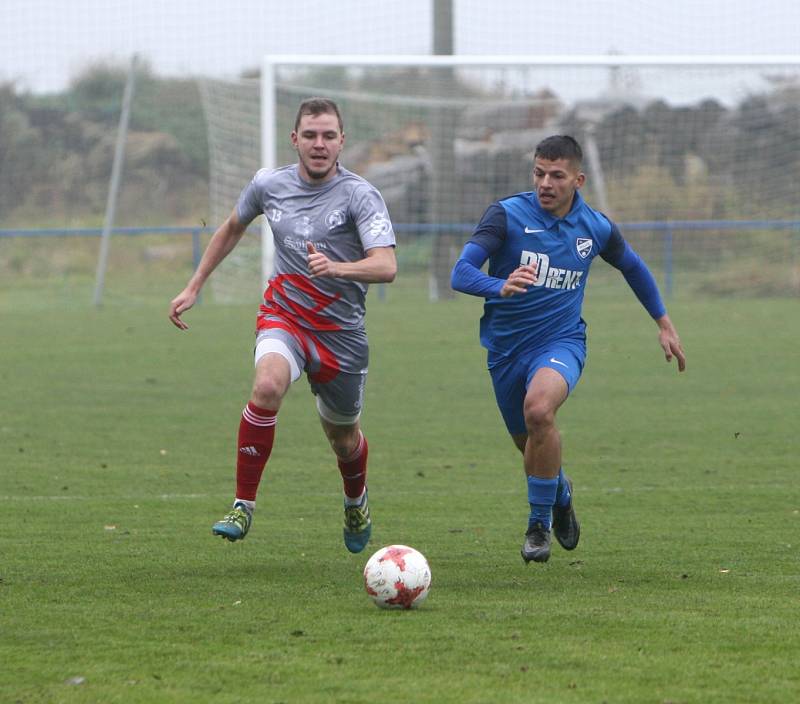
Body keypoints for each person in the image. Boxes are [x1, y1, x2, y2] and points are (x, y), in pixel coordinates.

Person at [169, 97, 397, 553]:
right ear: (295, 139)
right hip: (285, 315)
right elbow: (233, 226)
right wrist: (195, 285)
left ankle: (356, 499)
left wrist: (338, 268)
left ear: (341, 141)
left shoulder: (359, 195)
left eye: (328, 135)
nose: (319, 144)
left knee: (344, 438)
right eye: (310, 135)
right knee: (268, 385)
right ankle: (242, 506)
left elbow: (386, 265)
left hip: (341, 336)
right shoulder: (268, 185)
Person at [450, 135, 685, 564]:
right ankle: (560, 492)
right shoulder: (505, 215)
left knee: (539, 410)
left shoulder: (595, 227)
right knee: (531, 449)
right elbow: (461, 272)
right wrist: (497, 286)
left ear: (577, 179)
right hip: (505, 351)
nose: (545, 183)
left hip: (562, 343)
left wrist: (663, 322)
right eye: (539, 173)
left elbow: (631, 265)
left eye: (556, 176)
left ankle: (538, 526)